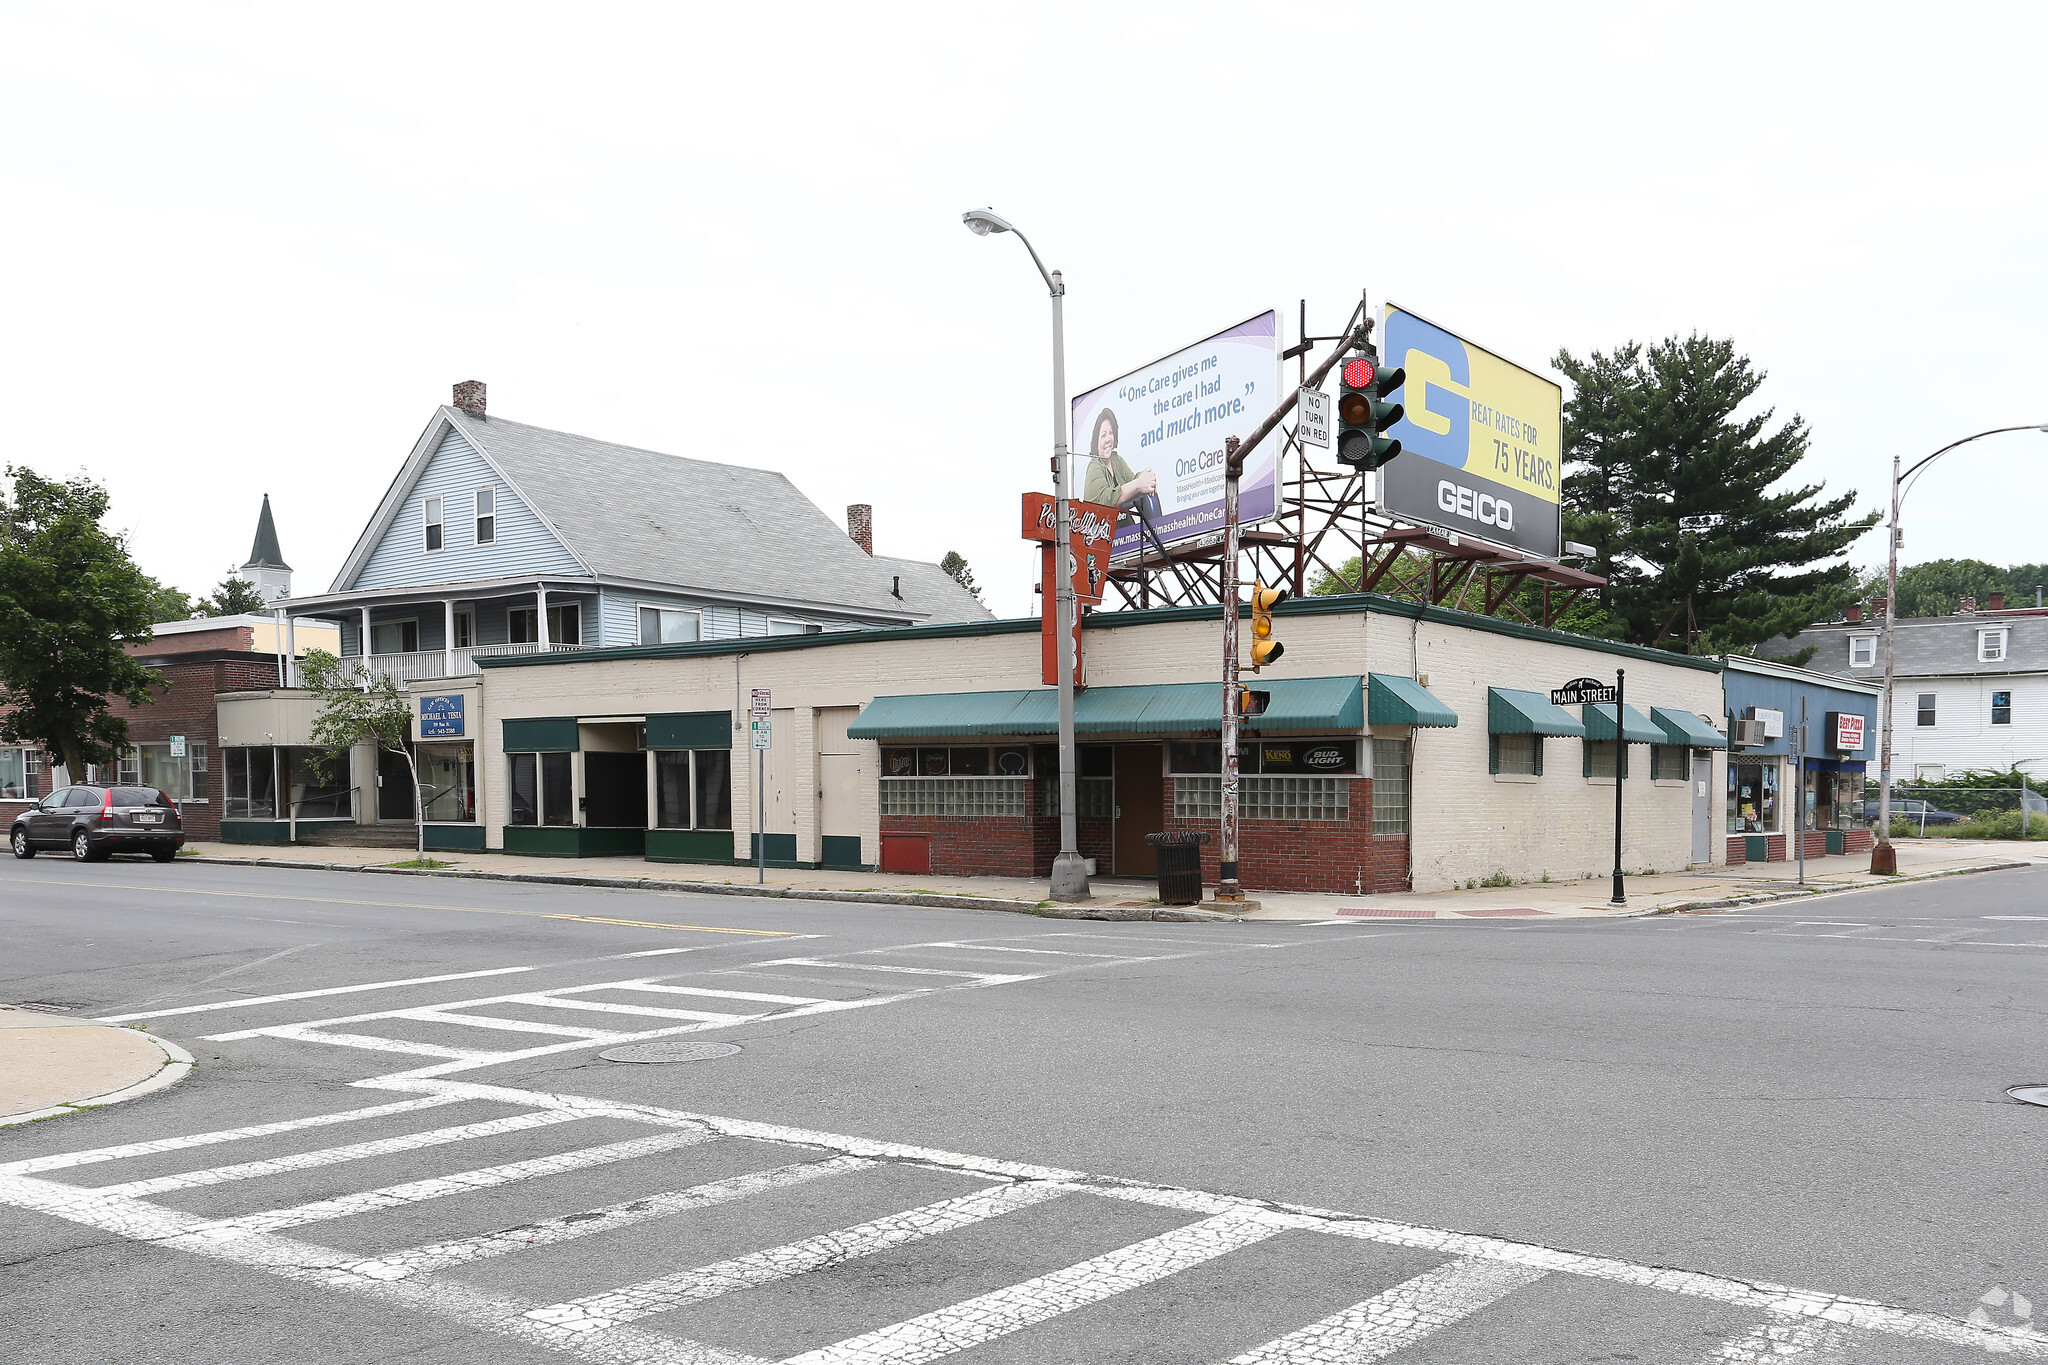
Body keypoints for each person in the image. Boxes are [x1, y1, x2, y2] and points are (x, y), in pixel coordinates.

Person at [1080, 408, 1158, 525]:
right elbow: (1106, 500)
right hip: (1106, 536)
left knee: (1148, 490)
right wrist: (1139, 484)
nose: (1108, 439)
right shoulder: (1094, 467)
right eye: (1103, 435)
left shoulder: (1116, 460)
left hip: (1128, 533)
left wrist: (1145, 477)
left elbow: (1133, 480)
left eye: (1111, 433)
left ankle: (1160, 533)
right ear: (1096, 440)